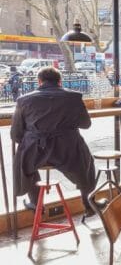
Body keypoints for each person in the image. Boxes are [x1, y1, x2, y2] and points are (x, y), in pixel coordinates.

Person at [11, 67, 97, 216]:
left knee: (24, 161)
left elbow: (16, 135)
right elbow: (86, 124)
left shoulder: (23, 100)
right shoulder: (74, 97)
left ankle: (36, 203)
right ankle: (88, 203)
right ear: (60, 81)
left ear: (39, 81)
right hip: (67, 151)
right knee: (87, 162)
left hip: (36, 153)